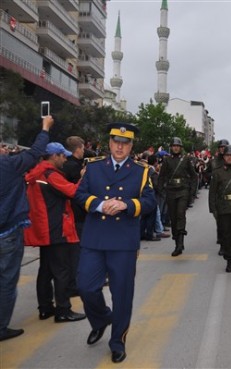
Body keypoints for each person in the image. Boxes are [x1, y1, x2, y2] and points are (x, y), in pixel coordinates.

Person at [75, 122, 157, 363]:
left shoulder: (141, 171)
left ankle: (117, 339)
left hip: (123, 241)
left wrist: (126, 205)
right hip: (95, 238)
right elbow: (79, 195)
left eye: (125, 143)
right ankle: (101, 319)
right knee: (85, 287)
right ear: (110, 143)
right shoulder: (93, 167)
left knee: (122, 293)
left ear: (131, 146)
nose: (120, 147)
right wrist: (100, 204)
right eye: (116, 142)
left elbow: (150, 202)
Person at [0, 116, 54, 342]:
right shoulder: (8, 166)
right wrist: (44, 127)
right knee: (6, 282)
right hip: (8, 233)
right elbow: (35, 153)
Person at [24, 142, 86, 323]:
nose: (65, 159)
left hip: (45, 227)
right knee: (62, 270)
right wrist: (83, 179)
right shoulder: (51, 175)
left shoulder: (38, 173)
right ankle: (63, 310)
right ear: (54, 156)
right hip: (56, 227)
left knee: (46, 270)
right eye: (63, 156)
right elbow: (73, 191)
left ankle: (45, 307)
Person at [157, 137, 196, 256]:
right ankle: (177, 240)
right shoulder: (167, 160)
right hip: (171, 190)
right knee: (173, 217)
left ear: (181, 148)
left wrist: (192, 192)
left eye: (177, 146)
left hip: (183, 190)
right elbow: (162, 176)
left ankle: (180, 243)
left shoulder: (186, 159)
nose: (175, 147)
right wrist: (161, 189)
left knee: (180, 214)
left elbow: (194, 176)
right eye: (174, 146)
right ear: (171, 147)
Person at [62, 136, 87, 297]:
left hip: (80, 213)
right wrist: (83, 175)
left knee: (82, 250)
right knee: (76, 252)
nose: (84, 150)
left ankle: (81, 280)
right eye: (83, 148)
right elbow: (74, 190)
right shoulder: (71, 167)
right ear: (77, 148)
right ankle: (74, 283)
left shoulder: (76, 165)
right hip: (75, 214)